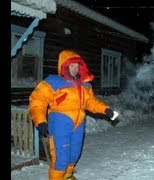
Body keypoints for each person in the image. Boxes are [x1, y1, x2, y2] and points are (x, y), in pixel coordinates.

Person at [29, 49, 115, 180]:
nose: (75, 69)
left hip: (79, 122)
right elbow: (37, 100)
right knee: (60, 158)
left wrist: (106, 109)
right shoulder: (53, 82)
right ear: (64, 66)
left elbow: (90, 102)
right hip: (60, 122)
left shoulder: (85, 85)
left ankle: (68, 176)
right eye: (72, 65)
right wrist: (40, 120)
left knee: (74, 154)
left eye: (77, 66)